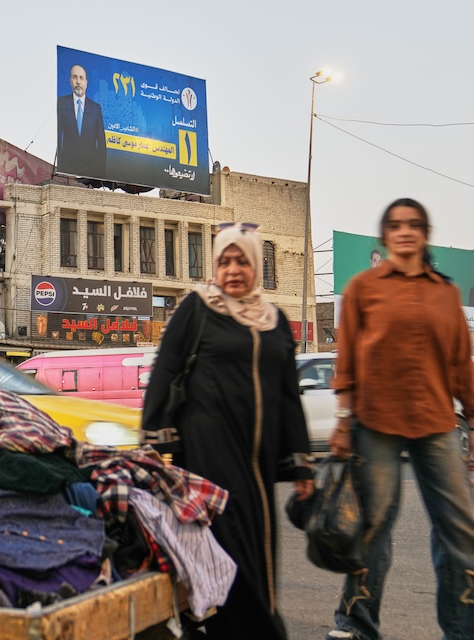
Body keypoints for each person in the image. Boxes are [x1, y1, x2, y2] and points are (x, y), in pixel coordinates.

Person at [141, 222, 313, 639]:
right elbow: (165, 369)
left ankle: (255, 623)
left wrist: (303, 464)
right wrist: (153, 439)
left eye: (242, 261)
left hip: (257, 461)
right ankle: (262, 631)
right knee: (226, 550)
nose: (233, 269)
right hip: (207, 453)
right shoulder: (198, 308)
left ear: (255, 264)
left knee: (260, 548)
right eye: (224, 261)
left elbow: (289, 394)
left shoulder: (273, 320)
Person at [327, 198, 474, 640]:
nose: (405, 231)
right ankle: (356, 625)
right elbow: (347, 359)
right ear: (384, 236)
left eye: (413, 225)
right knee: (371, 532)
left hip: (436, 424)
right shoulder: (363, 289)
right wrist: (342, 419)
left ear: (425, 234)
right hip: (376, 425)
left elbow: (461, 364)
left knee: (461, 531)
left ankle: (463, 628)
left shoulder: (445, 293)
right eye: (395, 225)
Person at [56, 64, 107, 179]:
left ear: (86, 82)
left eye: (81, 78)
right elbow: (59, 135)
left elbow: (101, 143)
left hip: (90, 168)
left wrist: (101, 173)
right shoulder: (62, 103)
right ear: (70, 80)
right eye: (75, 77)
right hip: (68, 167)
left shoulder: (95, 108)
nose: (78, 82)